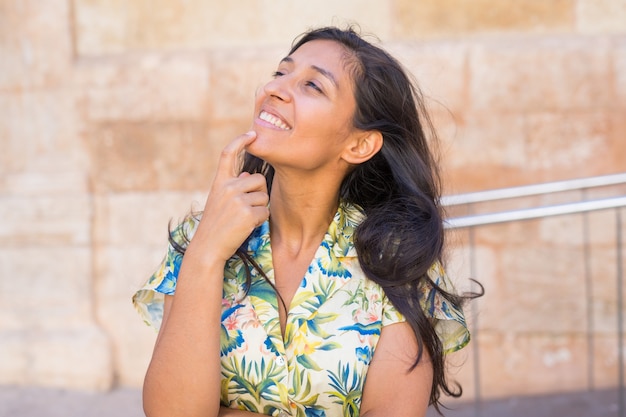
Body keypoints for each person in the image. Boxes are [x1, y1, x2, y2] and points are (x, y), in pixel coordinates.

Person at [133, 25, 479, 417]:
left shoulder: (397, 259)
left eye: (313, 86)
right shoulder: (199, 238)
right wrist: (206, 254)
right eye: (281, 73)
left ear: (359, 144)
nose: (275, 89)